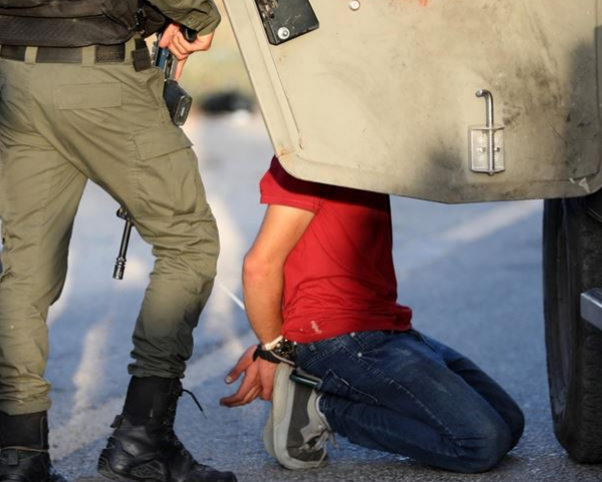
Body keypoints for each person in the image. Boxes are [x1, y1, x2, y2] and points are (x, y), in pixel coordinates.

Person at [0, 2, 235, 482]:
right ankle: (141, 442)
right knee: (188, 242)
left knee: (26, 265)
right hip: (98, 75)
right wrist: (198, 15)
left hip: (16, 74)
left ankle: (18, 454)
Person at [221, 157, 525, 473]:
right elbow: (260, 266)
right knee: (480, 443)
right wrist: (274, 351)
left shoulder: (367, 150)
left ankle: (327, 392)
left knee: (509, 422)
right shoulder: (307, 160)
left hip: (386, 327)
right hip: (338, 338)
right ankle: (322, 409)